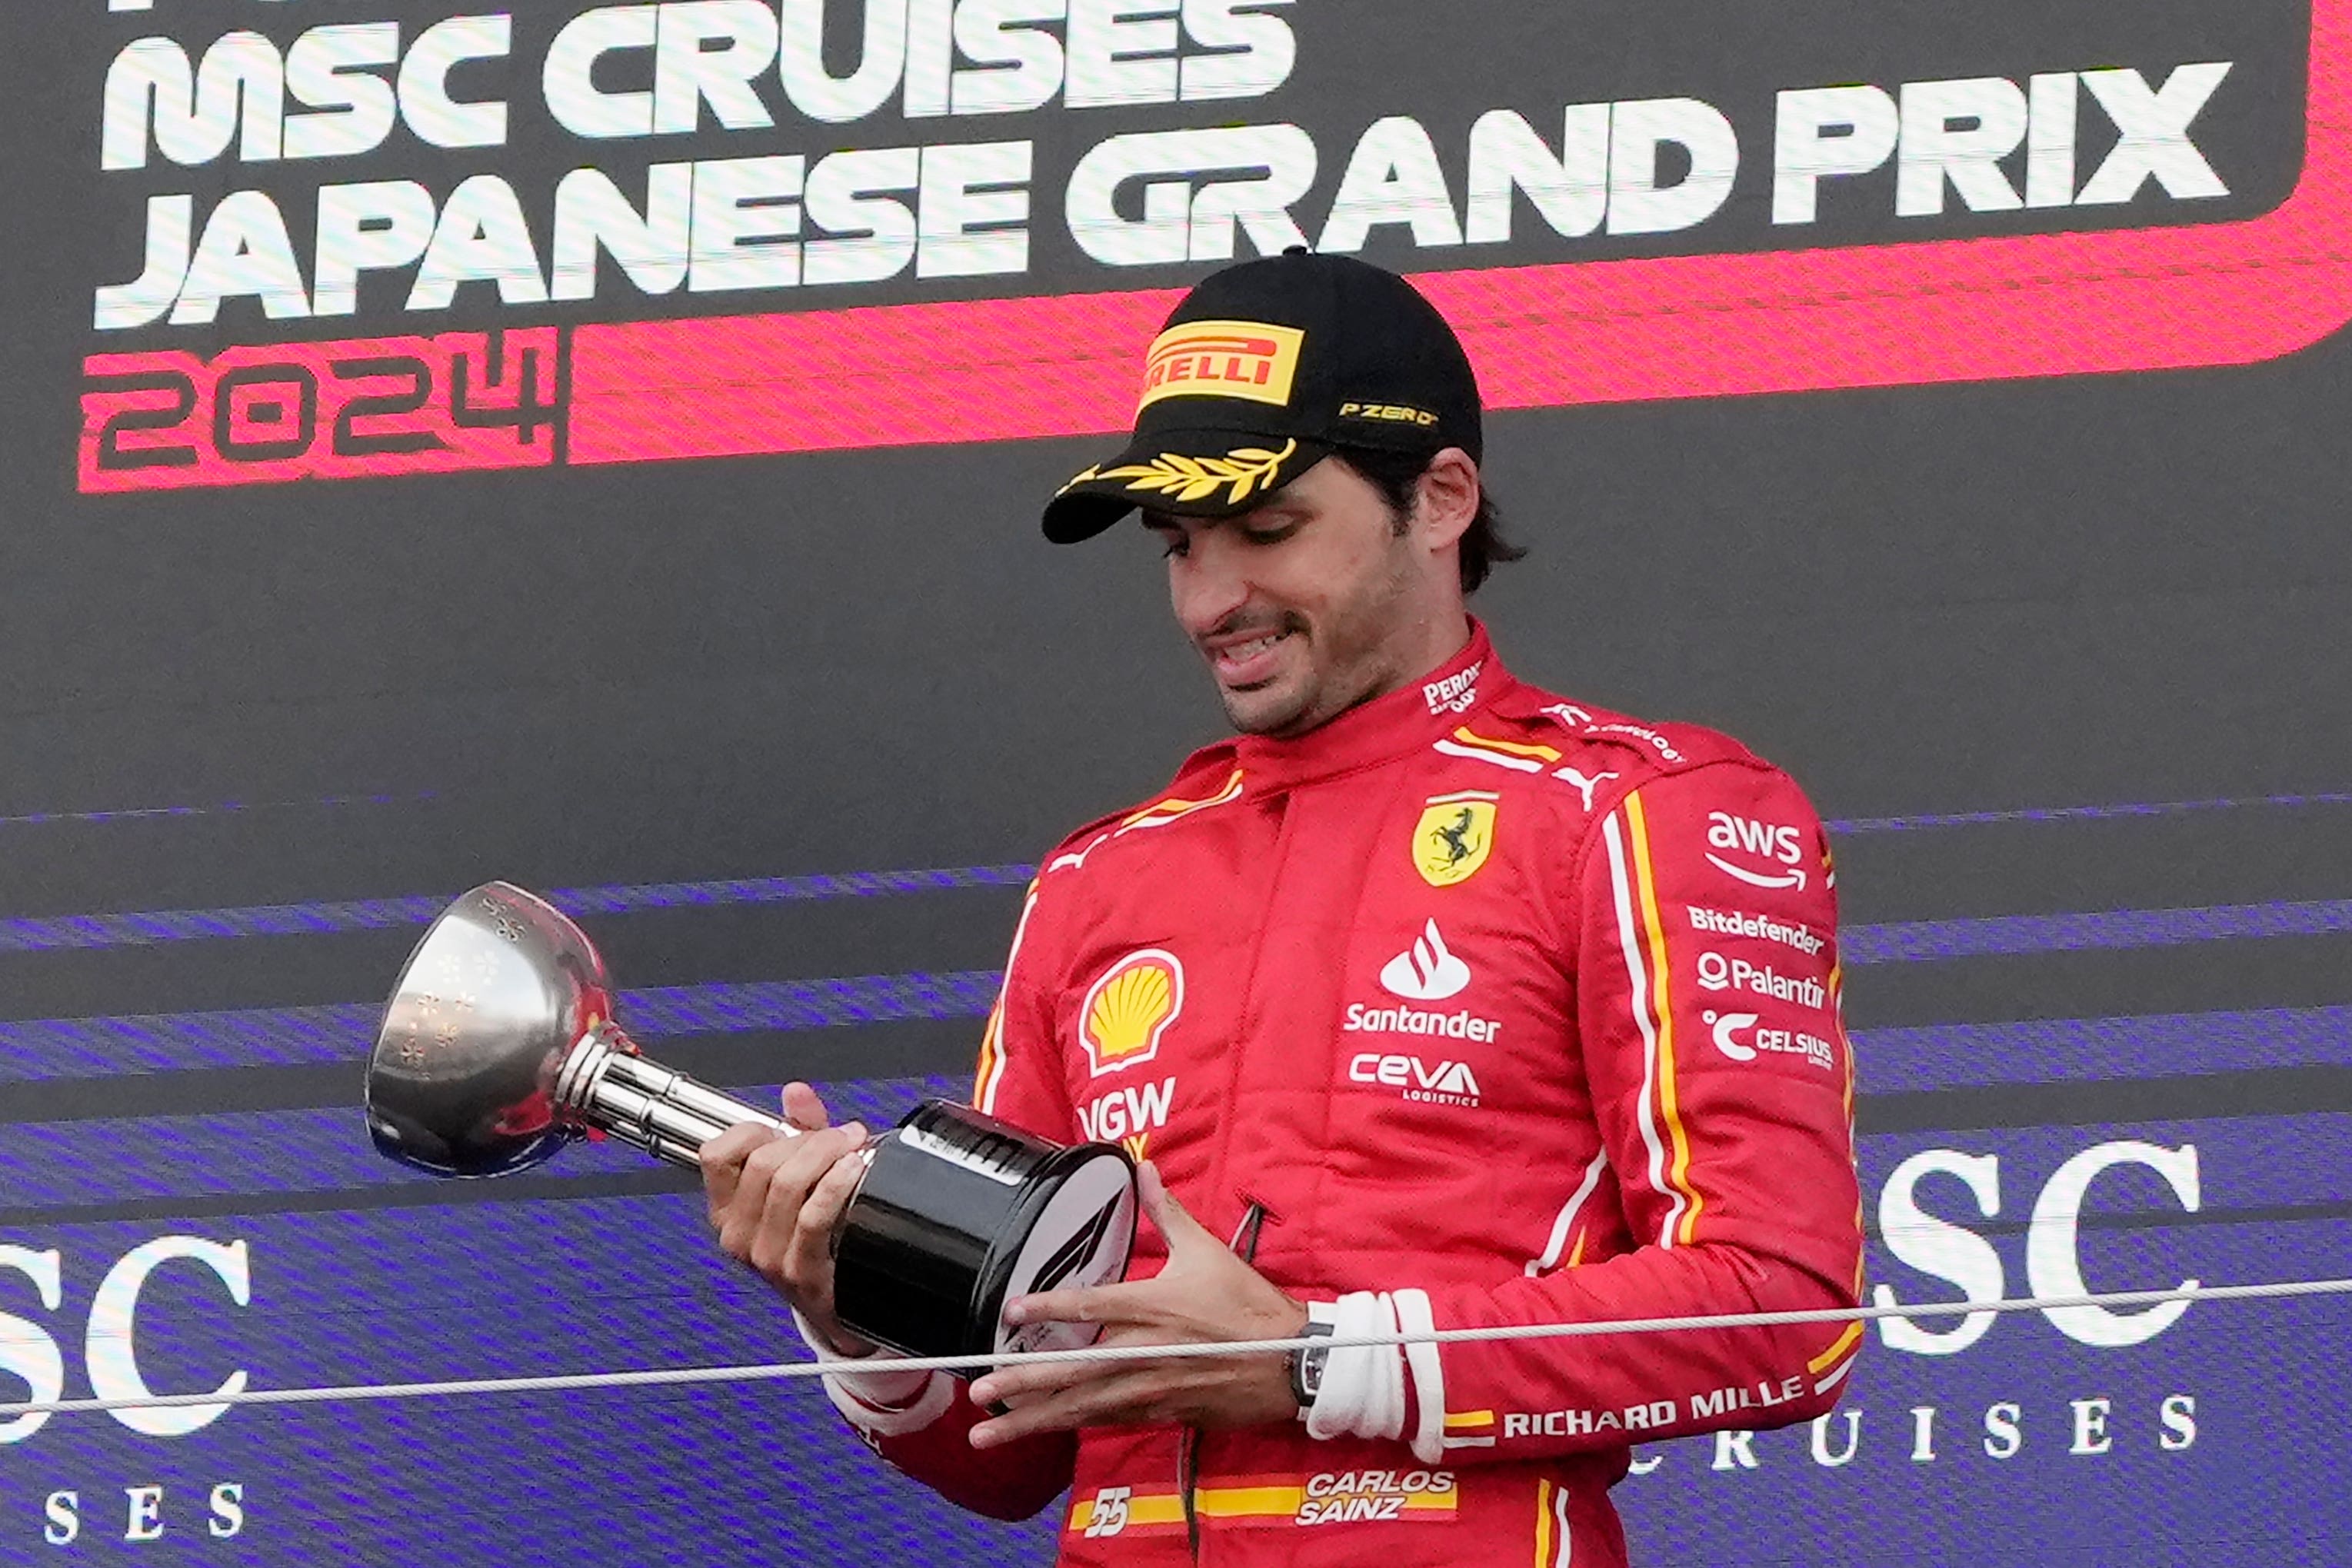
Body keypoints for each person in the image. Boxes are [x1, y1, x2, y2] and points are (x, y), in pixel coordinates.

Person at [700, 251, 1864, 1566]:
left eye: (1266, 531)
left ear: (1440, 498)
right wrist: (855, 1317)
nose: (1210, 601)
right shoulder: (1097, 880)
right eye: (1179, 546)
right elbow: (1013, 1450)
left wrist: (1313, 1361)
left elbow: (1783, 1310)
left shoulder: (1638, 811)